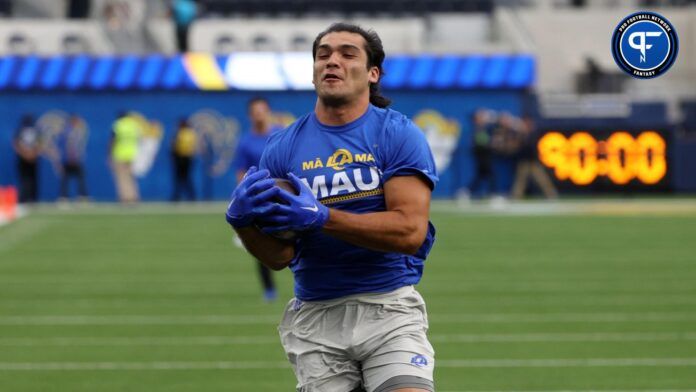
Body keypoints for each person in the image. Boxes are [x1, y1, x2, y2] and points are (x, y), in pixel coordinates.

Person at [225, 23, 438, 392]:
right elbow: (279, 257)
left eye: (347, 53)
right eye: (323, 55)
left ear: (373, 74)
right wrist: (242, 224)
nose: (332, 61)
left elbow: (409, 231)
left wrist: (324, 217)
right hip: (316, 318)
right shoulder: (282, 148)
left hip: (387, 308)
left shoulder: (397, 134)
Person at [232, 97, 283, 302]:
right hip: (261, 200)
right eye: (255, 111)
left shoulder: (280, 134)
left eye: (263, 110)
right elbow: (241, 173)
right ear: (250, 115)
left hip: (283, 196)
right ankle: (269, 289)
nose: (259, 114)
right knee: (263, 245)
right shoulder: (245, 142)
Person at [510, 116, 559, 200]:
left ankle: (551, 195)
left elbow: (534, 147)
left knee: (542, 179)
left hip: (534, 161)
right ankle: (516, 196)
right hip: (524, 161)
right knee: (520, 180)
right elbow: (517, 146)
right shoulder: (521, 134)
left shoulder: (534, 133)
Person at [109, 111, 141, 203]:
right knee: (131, 177)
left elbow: (113, 140)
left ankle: (125, 198)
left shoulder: (118, 125)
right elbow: (138, 139)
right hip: (131, 154)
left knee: (121, 178)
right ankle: (134, 197)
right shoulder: (133, 125)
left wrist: (109, 153)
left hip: (119, 154)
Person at [58, 114, 89, 201]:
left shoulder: (67, 131)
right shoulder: (71, 132)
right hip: (71, 158)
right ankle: (81, 196)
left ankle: (64, 196)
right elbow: (69, 146)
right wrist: (72, 157)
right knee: (72, 178)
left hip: (69, 158)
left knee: (69, 178)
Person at [13, 114, 41, 203]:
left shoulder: (21, 131)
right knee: (29, 179)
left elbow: (16, 144)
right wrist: (31, 155)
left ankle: (26, 198)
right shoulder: (34, 132)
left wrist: (26, 155)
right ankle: (29, 198)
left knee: (27, 179)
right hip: (30, 158)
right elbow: (17, 144)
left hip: (26, 158)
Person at [171, 118, 198, 201]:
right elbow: (194, 148)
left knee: (179, 178)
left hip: (180, 158)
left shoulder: (180, 133)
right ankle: (191, 196)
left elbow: (174, 146)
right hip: (189, 158)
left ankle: (177, 196)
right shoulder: (191, 133)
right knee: (187, 178)